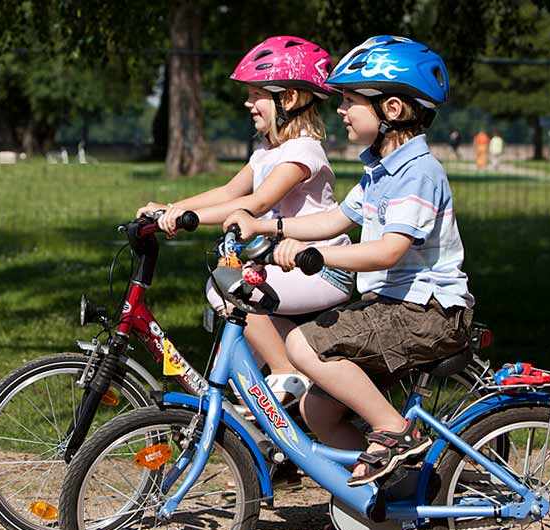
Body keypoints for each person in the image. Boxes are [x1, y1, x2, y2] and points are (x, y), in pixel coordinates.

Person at [225, 36, 474, 487]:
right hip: (395, 306)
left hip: (428, 312)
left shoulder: (417, 171)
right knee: (316, 409)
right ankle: (397, 490)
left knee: (302, 344)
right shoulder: (380, 169)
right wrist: (267, 228)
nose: (340, 110)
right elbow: (336, 217)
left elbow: (388, 250)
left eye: (351, 102)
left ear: (391, 110)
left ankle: (396, 431)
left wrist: (316, 258)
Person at [137, 36, 354, 407]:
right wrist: (171, 208)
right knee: (242, 376)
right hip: (287, 268)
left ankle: (288, 370)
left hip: (321, 269)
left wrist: (189, 220)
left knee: (228, 289)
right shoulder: (267, 152)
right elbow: (227, 192)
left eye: (256, 95)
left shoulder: (303, 152)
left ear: (287, 99)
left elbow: (257, 201)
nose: (247, 103)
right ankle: (273, 438)